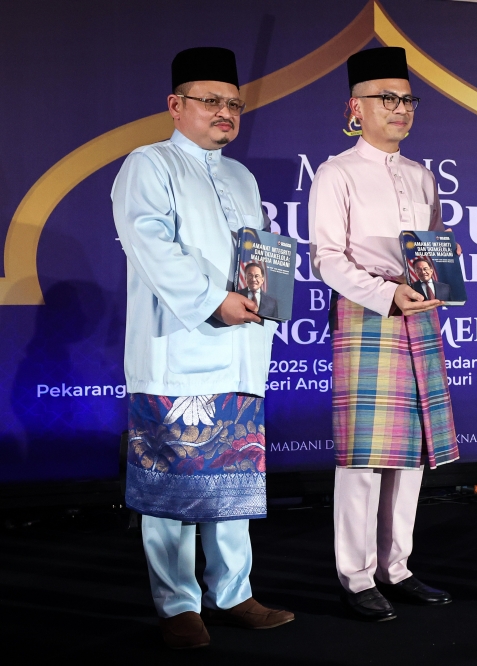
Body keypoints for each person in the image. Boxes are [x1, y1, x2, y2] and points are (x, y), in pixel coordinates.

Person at [112, 47, 293, 649]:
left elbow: (255, 256)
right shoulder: (150, 163)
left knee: (234, 475)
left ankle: (235, 593)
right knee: (170, 480)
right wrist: (214, 301)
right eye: (210, 101)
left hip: (239, 346)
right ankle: (177, 603)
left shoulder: (240, 175)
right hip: (179, 345)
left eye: (233, 104)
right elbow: (150, 245)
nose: (224, 113)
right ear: (175, 105)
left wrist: (265, 296)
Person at [309, 46, 460, 622]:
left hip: (418, 312)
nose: (400, 109)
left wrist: (434, 278)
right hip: (367, 313)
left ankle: (397, 568)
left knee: (413, 453)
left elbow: (434, 245)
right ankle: (355, 575)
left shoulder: (421, 176)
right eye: (387, 99)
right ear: (357, 106)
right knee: (364, 454)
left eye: (407, 99)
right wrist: (384, 292)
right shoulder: (337, 172)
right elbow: (327, 258)